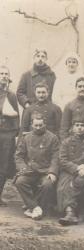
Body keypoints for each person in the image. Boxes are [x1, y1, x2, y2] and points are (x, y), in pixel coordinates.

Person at [15, 113, 59, 220]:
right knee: (19, 182)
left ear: (45, 125)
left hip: (46, 171)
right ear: (32, 125)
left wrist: (52, 172)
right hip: (31, 170)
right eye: (36, 125)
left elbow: (56, 157)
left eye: (41, 125)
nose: (38, 128)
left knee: (47, 184)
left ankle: (34, 208)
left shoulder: (53, 138)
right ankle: (35, 207)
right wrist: (23, 168)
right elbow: (19, 156)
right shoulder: (26, 138)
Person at [57, 117, 84, 226]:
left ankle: (82, 209)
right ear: (73, 127)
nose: (80, 128)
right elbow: (62, 160)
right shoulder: (66, 142)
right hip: (69, 171)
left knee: (83, 183)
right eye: (77, 125)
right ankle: (70, 212)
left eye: (82, 125)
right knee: (64, 186)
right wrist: (77, 168)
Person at [0, 66, 19, 206]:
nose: (4, 76)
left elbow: (16, 115)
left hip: (7, 134)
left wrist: (14, 134)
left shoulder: (11, 95)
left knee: (4, 165)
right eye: (1, 73)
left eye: (6, 73)